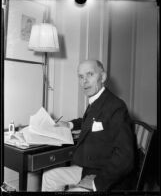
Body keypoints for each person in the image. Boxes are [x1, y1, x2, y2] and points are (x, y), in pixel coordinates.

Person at [42, 59, 136, 191]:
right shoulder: (98, 100)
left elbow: (125, 157)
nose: (84, 81)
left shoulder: (116, 107)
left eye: (90, 74)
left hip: (106, 176)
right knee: (49, 177)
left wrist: (96, 183)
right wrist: (69, 125)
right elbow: (90, 119)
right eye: (81, 76)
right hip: (89, 169)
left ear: (102, 77)